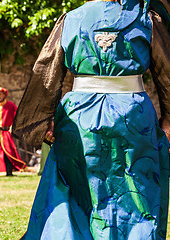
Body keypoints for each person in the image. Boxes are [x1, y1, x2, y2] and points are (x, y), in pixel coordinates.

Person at [13, 0, 170, 239]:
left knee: (77, 191)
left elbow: (47, 69)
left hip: (79, 118)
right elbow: (166, 71)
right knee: (134, 189)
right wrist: (169, 119)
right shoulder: (146, 18)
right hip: (132, 118)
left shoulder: (71, 19)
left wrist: (42, 119)